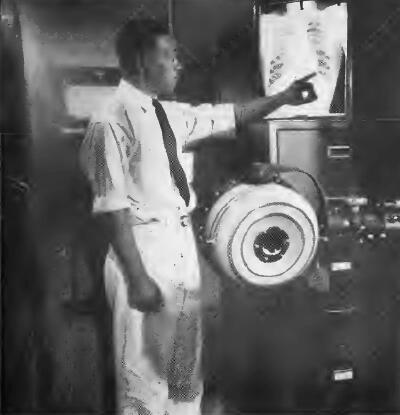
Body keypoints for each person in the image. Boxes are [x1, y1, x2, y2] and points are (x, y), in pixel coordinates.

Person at [79, 17, 317, 415]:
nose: (178, 64)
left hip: (179, 247)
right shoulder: (110, 122)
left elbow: (232, 114)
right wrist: (138, 280)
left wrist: (285, 97)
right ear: (141, 61)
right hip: (142, 249)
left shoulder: (169, 115)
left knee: (184, 377)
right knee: (144, 381)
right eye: (168, 56)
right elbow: (112, 209)